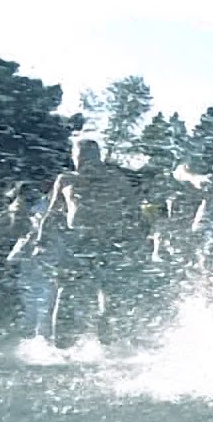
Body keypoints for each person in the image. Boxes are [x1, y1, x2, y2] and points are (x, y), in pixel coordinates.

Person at [35, 138, 148, 346]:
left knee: (109, 295)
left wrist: (136, 241)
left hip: (110, 242)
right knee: (66, 291)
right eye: (80, 158)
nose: (85, 163)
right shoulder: (66, 180)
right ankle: (61, 345)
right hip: (79, 243)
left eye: (90, 158)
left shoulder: (115, 180)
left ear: (99, 158)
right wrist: (40, 241)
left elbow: (134, 212)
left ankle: (107, 343)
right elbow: (52, 213)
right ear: (73, 158)